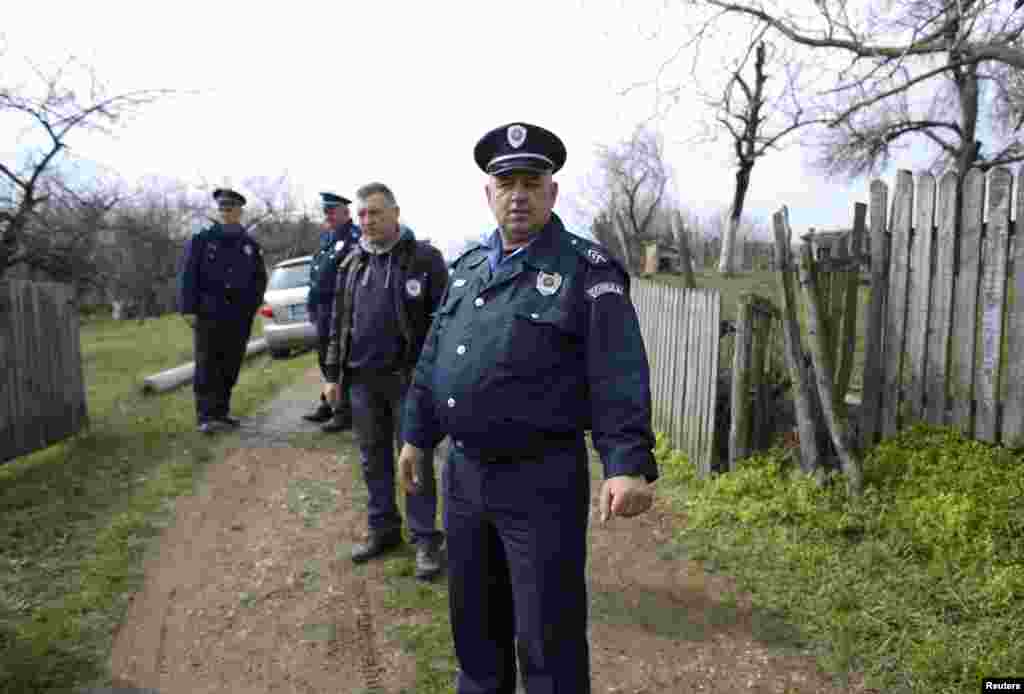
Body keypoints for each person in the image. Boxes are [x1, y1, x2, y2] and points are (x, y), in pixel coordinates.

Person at [398, 122, 658, 693]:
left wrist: (625, 463)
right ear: (488, 194)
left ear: (552, 193)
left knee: (548, 637)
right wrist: (416, 433)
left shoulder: (585, 270)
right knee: (475, 629)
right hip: (464, 477)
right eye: (505, 182)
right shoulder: (467, 269)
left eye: (531, 182)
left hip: (540, 482)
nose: (518, 193)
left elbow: (617, 371)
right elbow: (436, 356)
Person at [323, 182, 449, 580]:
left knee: (415, 460)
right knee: (371, 460)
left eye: (374, 213)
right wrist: (332, 375)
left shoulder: (424, 259)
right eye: (361, 215)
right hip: (361, 382)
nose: (366, 221)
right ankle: (383, 531)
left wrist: (436, 380)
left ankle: (426, 538)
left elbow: (443, 325)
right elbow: (337, 324)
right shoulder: (351, 264)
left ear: (395, 212)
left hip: (408, 381)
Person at [177, 188, 268, 434]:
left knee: (231, 363)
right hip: (209, 313)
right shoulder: (202, 239)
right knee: (208, 363)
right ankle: (206, 416)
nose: (226, 213)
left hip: (239, 316)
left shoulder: (249, 244)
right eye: (223, 209)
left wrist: (251, 306)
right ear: (219, 211)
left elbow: (260, 279)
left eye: (231, 209)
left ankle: (222, 412)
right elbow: (188, 275)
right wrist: (188, 309)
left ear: (240, 211)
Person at [303, 192, 361, 431]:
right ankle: (329, 402)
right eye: (325, 211)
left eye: (331, 211)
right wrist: (311, 305)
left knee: (341, 360)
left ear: (346, 212)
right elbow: (316, 274)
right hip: (323, 310)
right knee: (325, 360)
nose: (327, 215)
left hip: (342, 309)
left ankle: (343, 412)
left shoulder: (354, 237)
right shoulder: (328, 238)